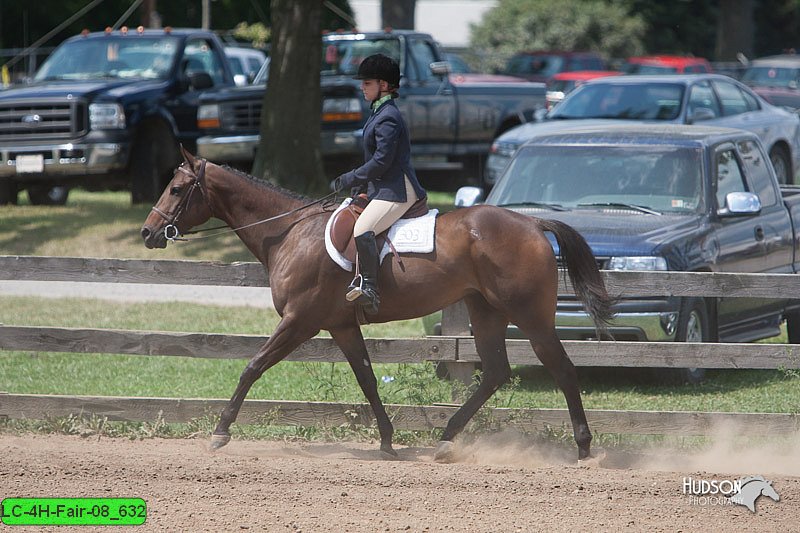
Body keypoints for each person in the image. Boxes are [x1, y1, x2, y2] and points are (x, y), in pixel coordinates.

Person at [333, 53, 427, 315]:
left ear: (384, 86)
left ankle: (370, 288)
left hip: (398, 189)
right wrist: (360, 187)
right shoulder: (379, 112)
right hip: (383, 187)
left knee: (363, 228)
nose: (362, 87)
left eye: (367, 83)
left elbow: (382, 162)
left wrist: (352, 177)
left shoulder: (388, 117)